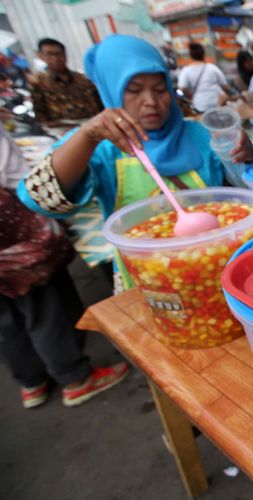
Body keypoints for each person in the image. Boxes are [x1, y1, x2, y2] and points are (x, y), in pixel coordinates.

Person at [17, 35, 253, 223]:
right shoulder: (100, 148)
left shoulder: (199, 134)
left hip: (213, 264)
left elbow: (251, 191)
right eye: (133, 90)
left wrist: (250, 154)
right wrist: (87, 136)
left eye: (160, 89)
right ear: (110, 90)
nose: (151, 101)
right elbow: (38, 198)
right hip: (141, 278)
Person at [0, 125, 129, 409]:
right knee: (43, 306)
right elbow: (20, 180)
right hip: (11, 233)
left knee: (6, 318)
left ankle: (31, 382)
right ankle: (74, 378)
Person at [29, 38, 103, 125]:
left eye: (58, 54)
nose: (55, 58)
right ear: (41, 56)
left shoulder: (84, 79)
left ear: (65, 55)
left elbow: (99, 104)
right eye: (49, 54)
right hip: (61, 129)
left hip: (92, 124)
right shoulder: (39, 83)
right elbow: (41, 116)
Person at [177, 42, 230, 112]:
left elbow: (182, 88)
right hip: (218, 102)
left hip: (200, 105)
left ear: (190, 56)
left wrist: (190, 95)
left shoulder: (186, 71)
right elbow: (225, 86)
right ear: (203, 54)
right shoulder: (212, 68)